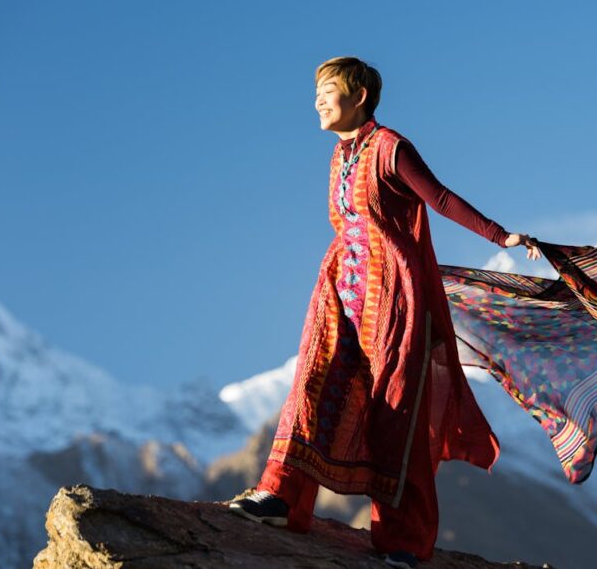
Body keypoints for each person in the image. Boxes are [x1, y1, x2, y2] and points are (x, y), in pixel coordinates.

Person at [228, 56, 540, 568]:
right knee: (313, 383)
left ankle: (402, 540)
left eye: (328, 91)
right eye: (316, 94)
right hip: (339, 289)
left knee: (395, 407)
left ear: (360, 96)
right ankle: (282, 499)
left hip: (391, 294)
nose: (318, 102)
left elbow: (437, 197)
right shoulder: (337, 157)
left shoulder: (391, 147)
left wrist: (499, 235)